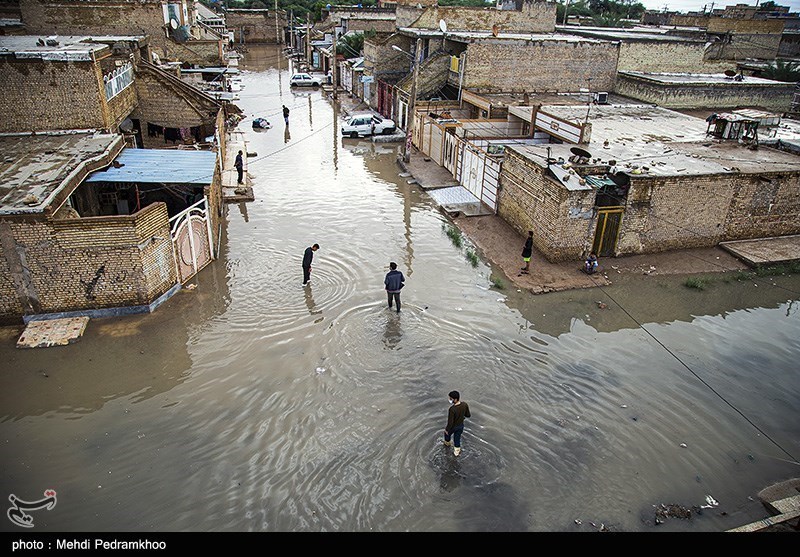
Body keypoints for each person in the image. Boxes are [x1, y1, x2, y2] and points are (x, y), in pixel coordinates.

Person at [443, 390, 471, 457]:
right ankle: (456, 453)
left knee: (446, 434)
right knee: (457, 439)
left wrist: (447, 430)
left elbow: (450, 422)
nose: (449, 400)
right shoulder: (464, 404)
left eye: (451, 398)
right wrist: (461, 417)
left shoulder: (452, 409)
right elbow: (468, 415)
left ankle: (447, 444)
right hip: (460, 426)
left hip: (453, 427)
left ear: (455, 399)